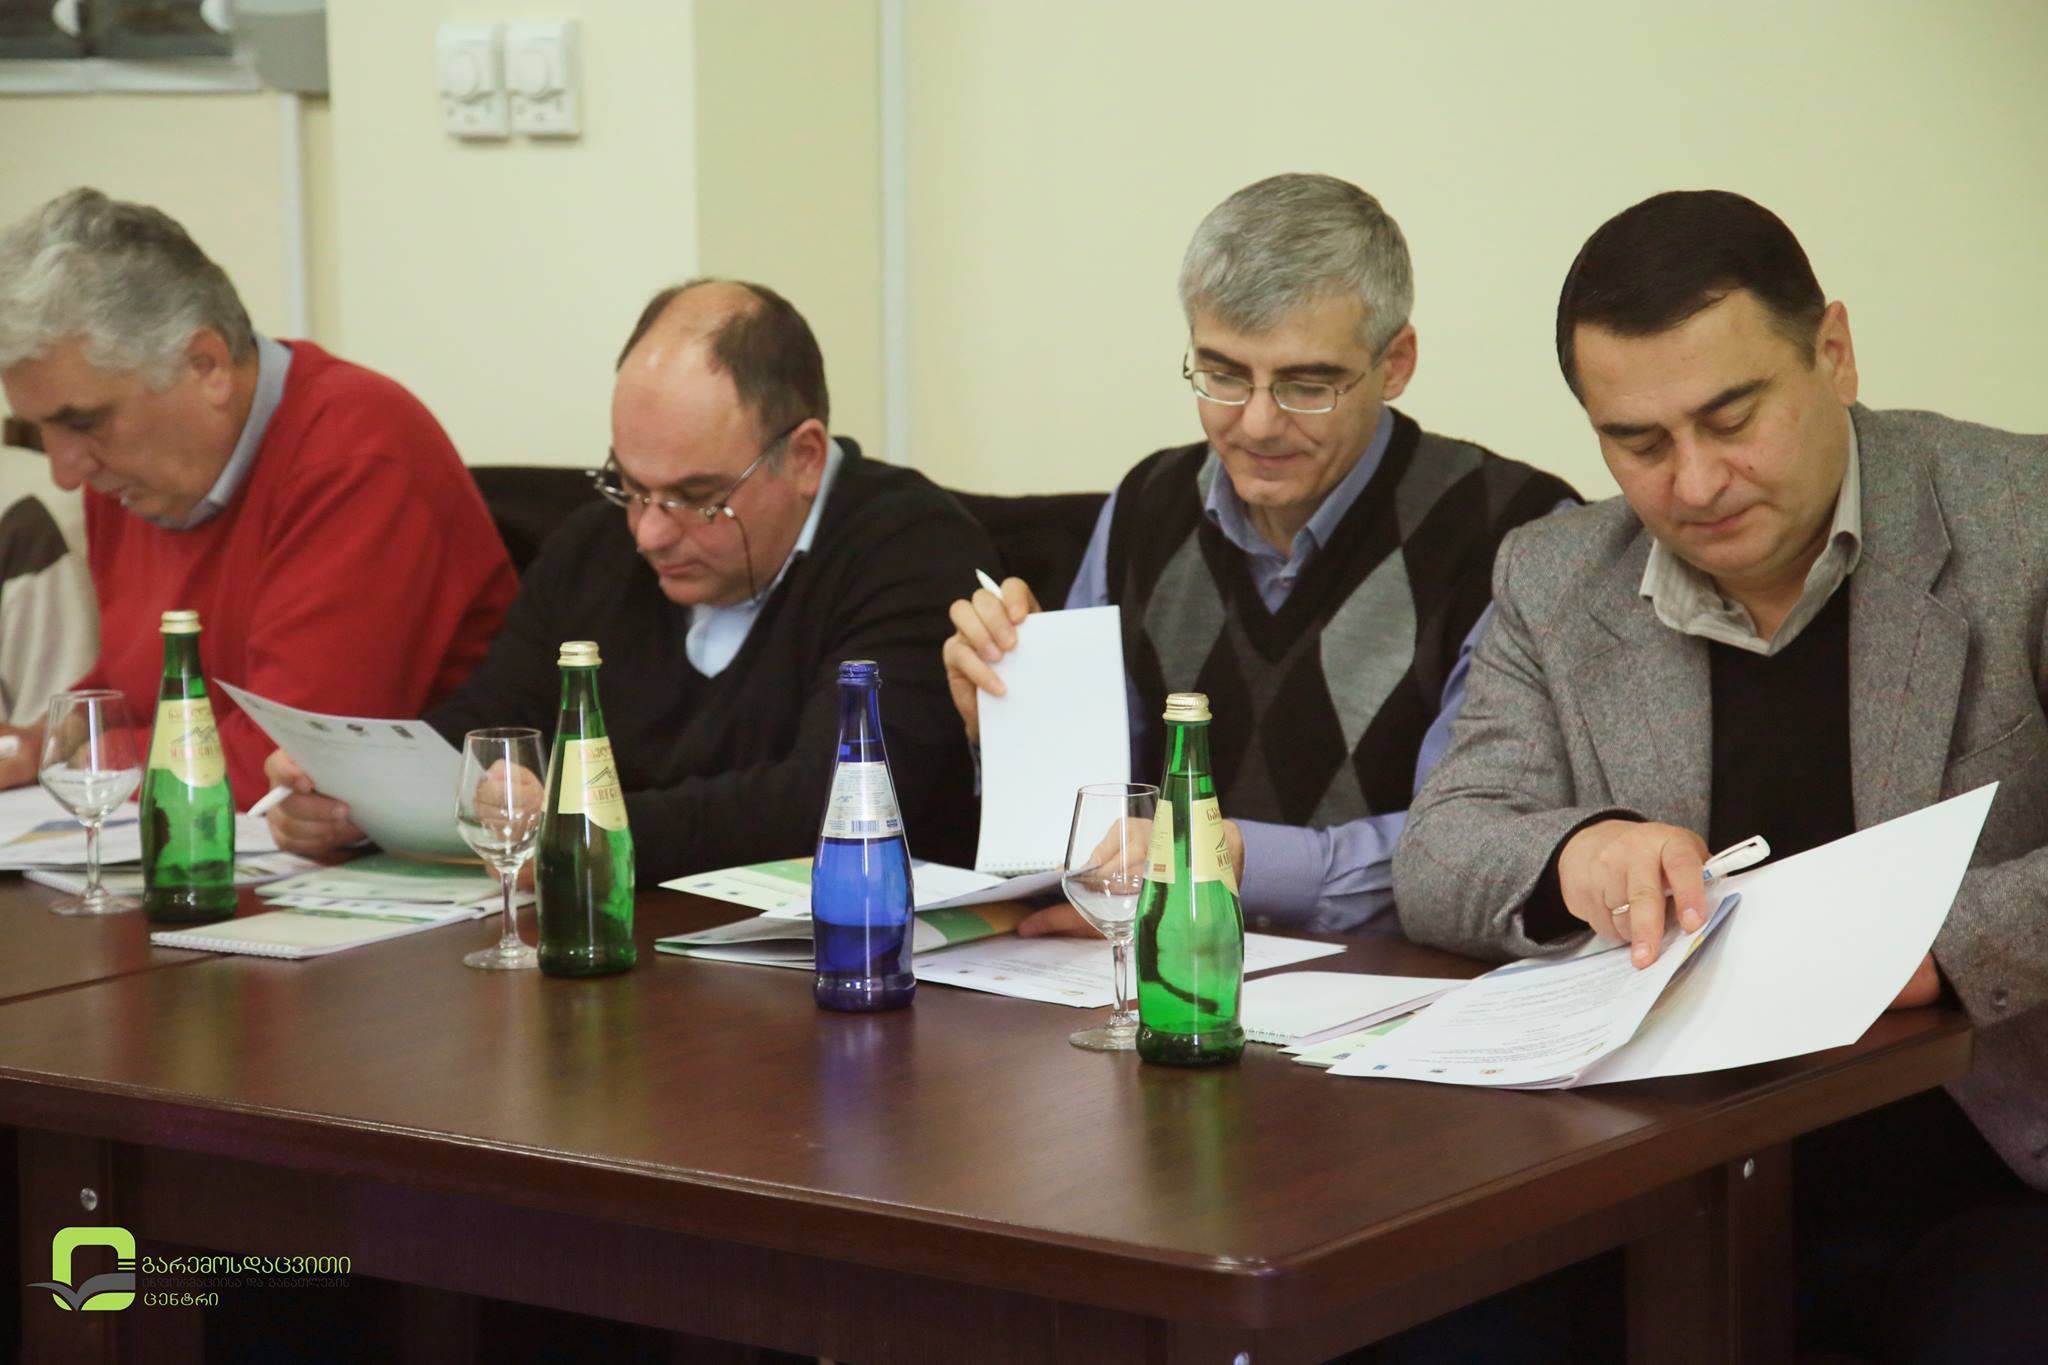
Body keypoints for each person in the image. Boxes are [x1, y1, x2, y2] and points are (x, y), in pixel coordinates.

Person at [1393, 189, 2048, 1361]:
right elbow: (1439, 849)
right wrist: (1577, 851)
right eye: (1637, 444)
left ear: (1832, 352)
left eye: (1729, 418)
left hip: (1988, 1167)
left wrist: (1937, 945)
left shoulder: (2020, 524)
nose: (1693, 484)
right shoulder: (1555, 575)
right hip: (1658, 1176)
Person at [944, 173, 1576, 937]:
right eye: (1223, 375)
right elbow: (1100, 815)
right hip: (1167, 969)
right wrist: (1014, 723)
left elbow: (1478, 845)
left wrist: (1237, 862)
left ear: (1396, 362)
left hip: (1406, 990)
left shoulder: (1512, 534)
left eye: (1306, 385)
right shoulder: (1146, 506)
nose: (1257, 424)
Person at [266, 280, 994, 881]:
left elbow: (836, 796)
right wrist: (356, 798)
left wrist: (585, 832)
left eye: (696, 497)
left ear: (803, 457)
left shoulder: (910, 547)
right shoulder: (595, 546)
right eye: (631, 486)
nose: (648, 533)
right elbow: (492, 727)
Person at [0, 188, 517, 803]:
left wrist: (86, 757)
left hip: (414, 848)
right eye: (40, 430)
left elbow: (287, 762)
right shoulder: (132, 473)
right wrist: (36, 744)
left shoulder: (355, 452)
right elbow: (137, 693)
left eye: (83, 421)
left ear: (207, 365)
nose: (65, 471)